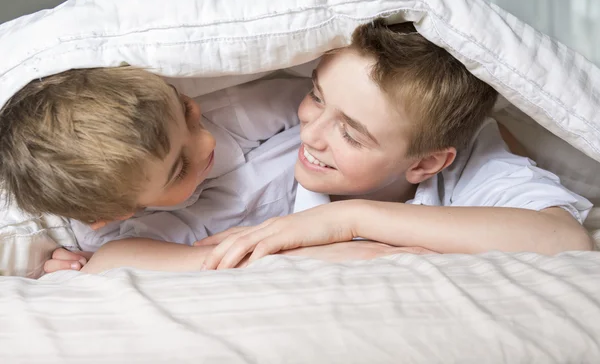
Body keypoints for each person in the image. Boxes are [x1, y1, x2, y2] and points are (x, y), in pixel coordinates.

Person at [195, 19, 595, 270]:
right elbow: (131, 248)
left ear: (426, 164)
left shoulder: (471, 159)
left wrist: (351, 219)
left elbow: (566, 239)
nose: (311, 135)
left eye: (350, 134)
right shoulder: (259, 178)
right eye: (316, 96)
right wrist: (295, 254)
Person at [0, 65, 413, 274]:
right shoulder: (128, 226)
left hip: (366, 175)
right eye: (179, 168)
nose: (206, 142)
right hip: (320, 221)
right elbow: (112, 259)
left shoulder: (236, 111)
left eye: (188, 113)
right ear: (123, 210)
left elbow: (333, 111)